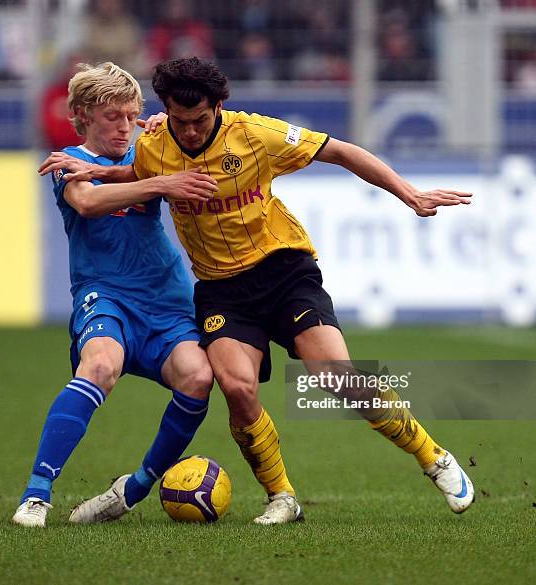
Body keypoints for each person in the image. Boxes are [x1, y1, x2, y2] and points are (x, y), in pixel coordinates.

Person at [40, 57, 475, 525]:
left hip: (283, 270)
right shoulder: (153, 143)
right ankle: (282, 497)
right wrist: (92, 170)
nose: (188, 132)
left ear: (219, 106)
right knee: (236, 386)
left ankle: (434, 457)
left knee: (334, 373)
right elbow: (138, 176)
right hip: (221, 289)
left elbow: (341, 151)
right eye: (179, 121)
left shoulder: (254, 135)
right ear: (165, 109)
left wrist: (407, 193)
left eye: (199, 121)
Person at [12, 61, 219, 527]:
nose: (125, 126)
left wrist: (175, 131)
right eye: (112, 117)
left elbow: (211, 138)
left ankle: (133, 488)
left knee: (198, 378)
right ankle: (37, 494)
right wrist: (163, 181)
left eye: (131, 115)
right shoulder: (68, 162)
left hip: (167, 301)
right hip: (105, 296)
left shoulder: (152, 149)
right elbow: (87, 203)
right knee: (101, 364)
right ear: (82, 115)